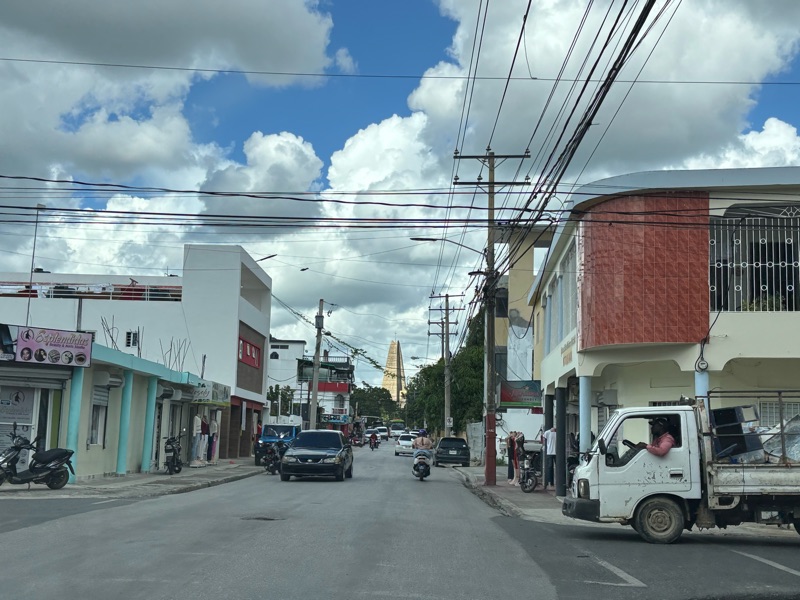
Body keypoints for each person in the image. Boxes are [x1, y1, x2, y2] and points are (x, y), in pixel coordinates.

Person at [543, 426, 557, 490]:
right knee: (550, 467)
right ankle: (550, 483)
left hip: (555, 452)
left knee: (557, 468)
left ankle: (556, 482)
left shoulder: (558, 432)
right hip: (550, 452)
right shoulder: (548, 432)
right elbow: (544, 438)